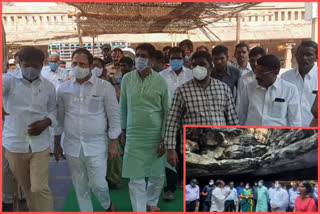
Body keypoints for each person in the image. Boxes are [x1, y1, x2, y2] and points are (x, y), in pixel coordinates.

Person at [54, 48, 119, 212]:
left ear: (90, 66)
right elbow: (60, 118)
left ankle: (107, 205)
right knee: (79, 184)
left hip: (96, 145)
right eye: (75, 63)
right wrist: (56, 143)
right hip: (72, 145)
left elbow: (114, 117)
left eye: (82, 64)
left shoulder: (104, 87)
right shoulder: (63, 88)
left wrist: (113, 142)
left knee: (98, 184)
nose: (78, 67)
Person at [2, 46, 56, 211]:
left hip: (40, 145)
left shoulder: (48, 86)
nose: (31, 69)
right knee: (28, 190)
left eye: (35, 65)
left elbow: (54, 110)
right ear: (19, 62)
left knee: (39, 188)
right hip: (15, 145)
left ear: (42, 64)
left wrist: (46, 122)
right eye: (26, 65)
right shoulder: (8, 80)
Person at [164, 51, 239, 169]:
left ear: (211, 67)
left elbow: (232, 119)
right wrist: (170, 149)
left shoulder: (223, 89)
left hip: (219, 146)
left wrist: (236, 143)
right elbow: (172, 122)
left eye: (202, 64)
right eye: (194, 65)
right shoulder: (182, 91)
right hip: (192, 149)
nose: (197, 68)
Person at [120, 43, 170, 212]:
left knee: (157, 174)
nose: (140, 59)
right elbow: (123, 107)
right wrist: (123, 131)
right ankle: (139, 209)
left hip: (156, 135)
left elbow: (167, 111)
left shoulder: (161, 81)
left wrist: (164, 138)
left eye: (144, 56)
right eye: (138, 55)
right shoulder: (127, 79)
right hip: (133, 135)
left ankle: (151, 202)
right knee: (136, 177)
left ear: (152, 60)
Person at [160, 47, 192, 201]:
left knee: (184, 151)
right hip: (169, 120)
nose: (176, 61)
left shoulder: (191, 74)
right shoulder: (161, 76)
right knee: (171, 152)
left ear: (184, 58)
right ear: (169, 58)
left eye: (178, 58)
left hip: (188, 119)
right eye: (173, 58)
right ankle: (170, 187)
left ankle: (182, 180)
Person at [237, 54, 301, 126]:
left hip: (277, 135)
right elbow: (241, 115)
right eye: (257, 71)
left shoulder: (290, 89)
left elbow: (295, 121)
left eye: (262, 72)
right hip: (252, 133)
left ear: (275, 72)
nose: (257, 76)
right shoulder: (249, 88)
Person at [281, 41, 318, 127]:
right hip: (289, 129)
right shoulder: (285, 77)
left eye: (309, 55)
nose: (304, 58)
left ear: (317, 57)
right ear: (296, 55)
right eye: (301, 54)